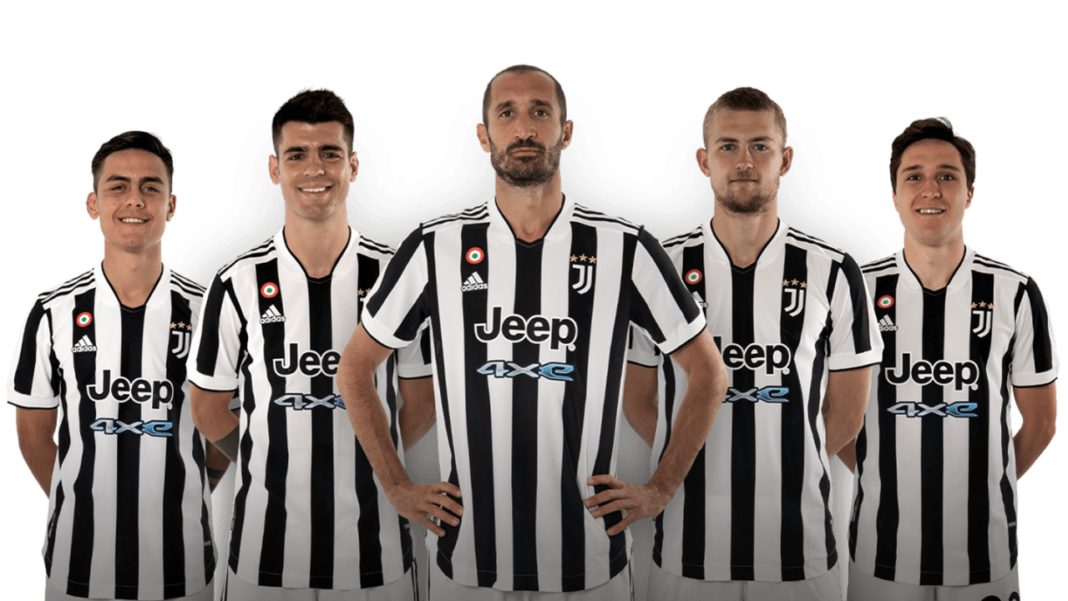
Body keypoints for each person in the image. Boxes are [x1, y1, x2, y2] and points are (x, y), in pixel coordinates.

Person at [336, 64, 727, 600]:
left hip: (590, 564)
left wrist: (660, 488)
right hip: (466, 562)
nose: (524, 128)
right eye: (507, 113)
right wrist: (396, 485)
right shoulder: (433, 246)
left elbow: (709, 373)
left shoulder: (626, 247)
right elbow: (355, 368)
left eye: (540, 112)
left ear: (566, 132)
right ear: (483, 136)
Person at [625, 85, 883, 601]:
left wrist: (789, 462)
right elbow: (637, 400)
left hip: (800, 553)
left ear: (785, 160)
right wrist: (696, 457)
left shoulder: (835, 270)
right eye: (728, 146)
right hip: (686, 549)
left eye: (760, 146)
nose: (744, 161)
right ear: (704, 161)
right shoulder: (659, 268)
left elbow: (848, 414)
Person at [188, 88, 433, 600]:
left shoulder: (396, 274)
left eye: (330, 153)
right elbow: (207, 406)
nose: (314, 168)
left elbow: (423, 400)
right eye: (297, 154)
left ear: (354, 166)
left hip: (378, 552)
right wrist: (266, 456)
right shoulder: (235, 281)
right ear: (274, 169)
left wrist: (370, 456)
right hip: (263, 554)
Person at [840, 116, 1058, 600]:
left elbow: (1042, 422)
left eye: (947, 175)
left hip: (984, 555)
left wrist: (986, 485)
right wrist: (880, 475)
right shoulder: (856, 292)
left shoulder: (1016, 292)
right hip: (882, 553)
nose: (931, 190)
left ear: (970, 192)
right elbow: (830, 411)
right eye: (914, 176)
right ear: (894, 195)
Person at [8, 130, 222, 600]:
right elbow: (32, 433)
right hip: (77, 565)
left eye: (151, 187)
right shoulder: (52, 310)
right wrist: (76, 497)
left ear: (172, 205)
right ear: (93, 204)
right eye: (118, 186)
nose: (135, 199)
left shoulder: (210, 311)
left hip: (182, 564)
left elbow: (230, 420)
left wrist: (197, 484)